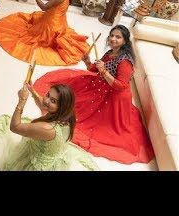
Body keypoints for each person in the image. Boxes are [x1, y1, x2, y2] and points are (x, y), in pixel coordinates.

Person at [32, 25, 155, 164]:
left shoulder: (125, 62)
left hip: (114, 97)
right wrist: (87, 61)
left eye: (118, 37)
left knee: (86, 118)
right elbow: (95, 70)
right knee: (74, 95)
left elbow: (121, 86)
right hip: (100, 84)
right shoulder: (110, 53)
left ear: (125, 41)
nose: (113, 39)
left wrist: (103, 72)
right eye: (112, 35)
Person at [0, 83, 98, 171]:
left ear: (61, 106)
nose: (46, 100)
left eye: (53, 101)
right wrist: (33, 92)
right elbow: (44, 106)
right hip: (53, 156)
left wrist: (21, 101)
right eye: (48, 95)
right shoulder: (67, 115)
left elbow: (15, 127)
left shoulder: (46, 129)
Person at [0, 0, 89, 66]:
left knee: (30, 33)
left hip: (51, 25)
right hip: (60, 23)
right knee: (36, 18)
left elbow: (44, 7)